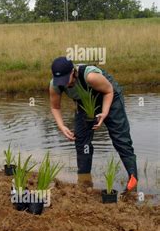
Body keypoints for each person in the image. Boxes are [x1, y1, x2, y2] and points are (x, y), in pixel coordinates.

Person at [49, 56, 137, 192]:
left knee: (120, 137)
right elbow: (55, 107)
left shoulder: (90, 76)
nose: (64, 84)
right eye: (60, 81)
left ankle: (133, 178)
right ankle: (84, 180)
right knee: (81, 141)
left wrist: (104, 112)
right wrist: (62, 126)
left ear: (73, 72)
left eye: (66, 80)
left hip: (109, 96)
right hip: (85, 104)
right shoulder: (55, 85)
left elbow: (108, 91)